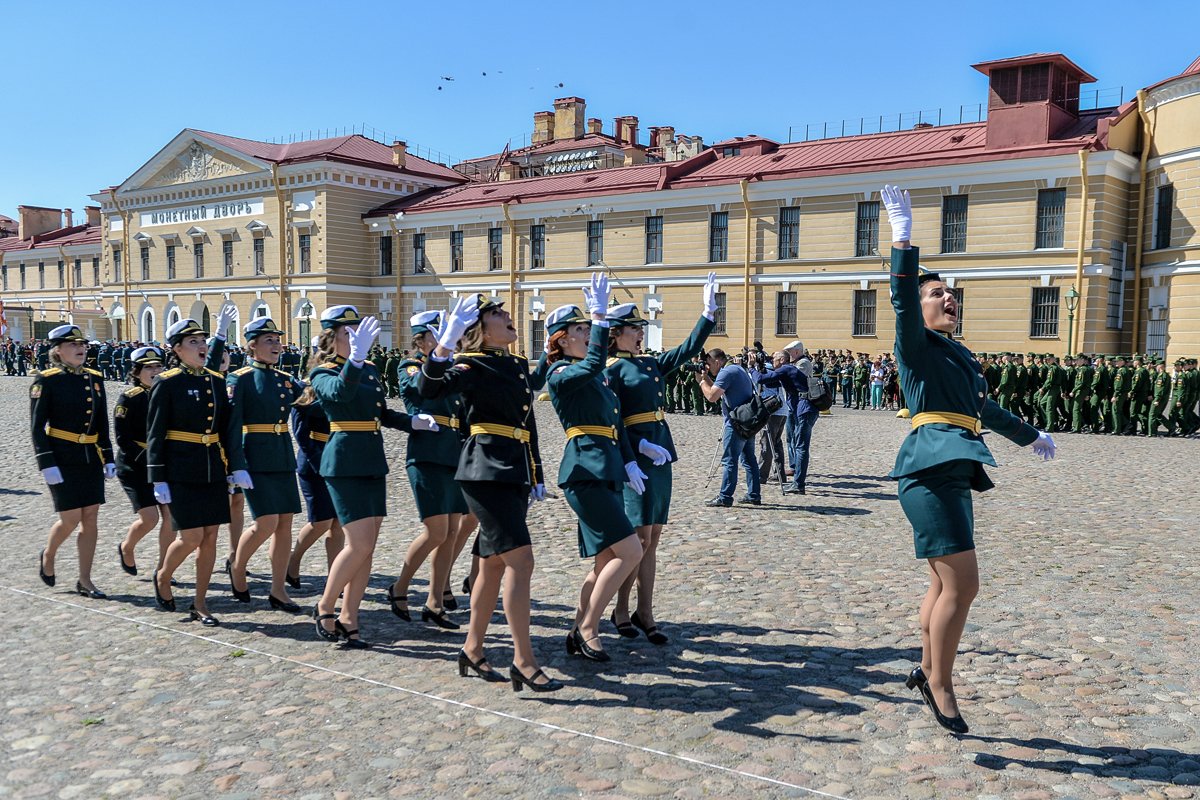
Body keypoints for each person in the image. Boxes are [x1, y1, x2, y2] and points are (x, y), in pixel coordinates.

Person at [880, 185, 1056, 734]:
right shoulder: (915, 346)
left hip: (954, 467)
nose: (948, 298)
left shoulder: (960, 355)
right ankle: (940, 684)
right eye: (939, 294)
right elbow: (904, 301)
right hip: (929, 469)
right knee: (963, 584)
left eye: (952, 293)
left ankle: (928, 669)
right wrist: (902, 240)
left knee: (942, 583)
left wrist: (1029, 436)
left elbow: (986, 408)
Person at [419, 293, 563, 692]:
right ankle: (523, 660)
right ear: (481, 330)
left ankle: (473, 648)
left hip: (512, 468)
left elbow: (526, 420)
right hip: (485, 471)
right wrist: (445, 345)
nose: (508, 317)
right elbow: (429, 390)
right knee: (521, 561)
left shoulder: (513, 364)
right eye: (498, 314)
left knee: (492, 564)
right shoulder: (470, 365)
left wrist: (535, 472)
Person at [308, 306, 437, 648]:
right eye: (346, 334)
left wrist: (413, 422)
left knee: (368, 549)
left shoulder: (367, 370)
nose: (354, 339)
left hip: (371, 458)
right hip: (344, 461)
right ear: (330, 338)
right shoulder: (323, 372)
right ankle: (325, 605)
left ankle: (350, 617)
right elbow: (339, 395)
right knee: (358, 544)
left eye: (357, 333)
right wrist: (356, 359)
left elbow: (380, 413)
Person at [604, 275, 717, 644]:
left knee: (652, 536)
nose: (641, 333)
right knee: (634, 538)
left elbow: (686, 350)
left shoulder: (650, 364)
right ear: (617, 333)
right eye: (634, 328)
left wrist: (708, 313)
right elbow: (613, 421)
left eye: (641, 327)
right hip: (635, 457)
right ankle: (621, 608)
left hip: (660, 452)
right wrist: (634, 453)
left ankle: (645, 610)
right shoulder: (611, 369)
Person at [544, 280, 647, 662]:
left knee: (606, 560)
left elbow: (616, 422)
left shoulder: (596, 375)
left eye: (589, 328)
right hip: (583, 470)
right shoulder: (560, 374)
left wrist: (630, 459)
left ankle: (576, 630)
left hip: (606, 467)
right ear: (561, 340)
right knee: (630, 550)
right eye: (580, 330)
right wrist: (603, 318)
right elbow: (591, 364)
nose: (587, 334)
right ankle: (590, 627)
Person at [148, 319, 252, 626]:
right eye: (193, 342)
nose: (201, 346)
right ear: (177, 349)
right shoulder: (166, 382)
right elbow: (155, 432)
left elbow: (226, 430)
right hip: (180, 467)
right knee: (191, 536)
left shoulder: (215, 380)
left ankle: (200, 602)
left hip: (211, 466)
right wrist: (158, 477)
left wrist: (235, 468)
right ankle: (164, 575)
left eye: (203, 340)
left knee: (210, 538)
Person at [387, 310, 468, 631]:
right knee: (435, 531)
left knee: (451, 532)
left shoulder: (452, 367)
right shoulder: (409, 366)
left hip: (454, 451)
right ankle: (400, 586)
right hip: (427, 453)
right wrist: (442, 358)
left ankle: (435, 602)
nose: (444, 338)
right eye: (438, 333)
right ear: (421, 339)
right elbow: (420, 389)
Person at [30, 324, 117, 598]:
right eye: (73, 345)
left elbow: (101, 421)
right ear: (57, 351)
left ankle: (85, 579)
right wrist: (47, 463)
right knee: (69, 519)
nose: (81, 349)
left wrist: (108, 456)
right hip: (62, 456)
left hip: (89, 456)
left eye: (82, 344)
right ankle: (50, 553)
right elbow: (37, 427)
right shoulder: (46, 380)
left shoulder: (94, 377)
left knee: (90, 518)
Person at [226, 318, 306, 613]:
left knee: (285, 522)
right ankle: (238, 565)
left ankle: (278, 589)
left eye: (277, 339)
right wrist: (237, 464)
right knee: (266, 522)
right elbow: (232, 426)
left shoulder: (284, 378)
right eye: (269, 340)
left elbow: (309, 400)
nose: (277, 345)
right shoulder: (241, 378)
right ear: (252, 345)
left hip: (282, 454)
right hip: (255, 456)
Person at [287, 336, 344, 587]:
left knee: (339, 523)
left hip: (339, 457)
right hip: (314, 460)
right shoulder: (306, 390)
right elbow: (300, 434)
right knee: (320, 521)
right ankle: (293, 561)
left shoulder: (341, 386)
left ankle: (336, 575)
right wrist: (318, 461)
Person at [115, 346, 174, 577]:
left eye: (159, 366)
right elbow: (123, 439)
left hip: (161, 464)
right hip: (135, 465)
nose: (155, 371)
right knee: (150, 519)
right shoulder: (129, 399)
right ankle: (126, 547)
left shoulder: (168, 395)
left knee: (170, 516)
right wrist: (148, 460)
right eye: (148, 367)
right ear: (137, 372)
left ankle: (164, 567)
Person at [699, 348, 760, 507]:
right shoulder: (735, 368)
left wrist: (701, 382)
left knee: (729, 461)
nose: (708, 367)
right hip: (747, 420)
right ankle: (754, 494)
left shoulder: (727, 372)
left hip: (735, 423)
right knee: (749, 459)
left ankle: (725, 497)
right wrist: (707, 378)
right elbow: (718, 391)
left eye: (709, 364)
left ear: (717, 361)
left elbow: (712, 397)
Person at [756, 351, 791, 484]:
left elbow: (757, 380)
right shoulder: (773, 370)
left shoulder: (769, 370)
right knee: (776, 443)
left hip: (773, 411)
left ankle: (761, 475)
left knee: (767, 443)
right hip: (781, 411)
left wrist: (752, 367)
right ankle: (780, 473)